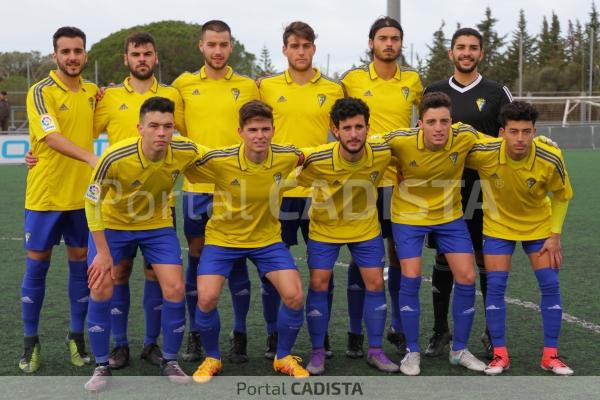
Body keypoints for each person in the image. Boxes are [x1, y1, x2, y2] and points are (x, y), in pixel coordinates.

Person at [83, 96, 205, 392]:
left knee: (175, 287)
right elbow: (90, 201)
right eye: (154, 126)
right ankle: (102, 364)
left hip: (157, 226)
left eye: (167, 126)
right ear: (140, 127)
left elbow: (218, 158)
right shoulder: (114, 156)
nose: (161, 132)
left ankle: (170, 360)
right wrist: (101, 252)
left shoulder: (184, 149)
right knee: (101, 284)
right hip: (114, 225)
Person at [189, 100, 308, 382]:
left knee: (294, 295)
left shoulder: (286, 156)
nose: (260, 136)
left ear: (273, 130)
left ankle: (283, 357)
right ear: (240, 131)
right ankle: (212, 358)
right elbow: (184, 161)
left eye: (265, 129)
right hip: (222, 239)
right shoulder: (220, 159)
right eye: (253, 129)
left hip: (267, 240)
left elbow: (310, 156)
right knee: (206, 297)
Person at [92, 31, 187, 370]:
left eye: (148, 53)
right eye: (136, 54)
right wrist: (37, 150)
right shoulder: (109, 97)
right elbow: (81, 132)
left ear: (156, 57)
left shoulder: (174, 94)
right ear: (126, 59)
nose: (142, 59)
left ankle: (152, 345)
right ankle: (120, 346)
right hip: (117, 208)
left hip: (160, 208)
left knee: (156, 277)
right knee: (118, 274)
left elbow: (187, 140)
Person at [172, 20, 259, 363]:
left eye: (224, 44)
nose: (218, 51)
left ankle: (240, 333)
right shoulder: (183, 85)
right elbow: (168, 121)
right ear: (201, 47)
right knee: (196, 260)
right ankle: (197, 333)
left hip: (237, 190)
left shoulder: (249, 86)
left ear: (231, 46)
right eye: (212, 45)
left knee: (237, 260)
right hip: (197, 188)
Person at [465, 101, 574, 376]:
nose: (520, 138)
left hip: (539, 227)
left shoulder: (550, 156)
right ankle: (500, 354)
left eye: (527, 131)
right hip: (498, 227)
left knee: (550, 285)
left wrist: (555, 235)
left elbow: (562, 196)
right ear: (502, 132)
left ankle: (550, 356)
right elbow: (455, 142)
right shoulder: (484, 152)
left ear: (535, 131)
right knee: (496, 287)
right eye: (514, 131)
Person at [423, 27, 513, 358]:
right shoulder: (433, 91)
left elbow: (512, 133)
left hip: (487, 189)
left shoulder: (496, 91)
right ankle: (439, 330)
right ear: (451, 53)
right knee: (444, 257)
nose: (466, 52)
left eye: (473, 48)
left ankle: (492, 333)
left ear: (481, 54)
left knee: (486, 259)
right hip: (444, 190)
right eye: (460, 47)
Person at [384, 92, 487, 376]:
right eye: (431, 122)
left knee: (467, 276)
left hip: (449, 217)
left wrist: (538, 142)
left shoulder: (464, 135)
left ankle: (460, 350)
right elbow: (366, 147)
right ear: (421, 124)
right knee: (411, 276)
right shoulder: (401, 140)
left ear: (451, 121)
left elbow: (497, 145)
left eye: (444, 121)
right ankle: (412, 352)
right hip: (408, 216)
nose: (439, 127)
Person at [258, 21, 343, 359]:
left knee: (323, 270)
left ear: (314, 48)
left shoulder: (334, 89)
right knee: (270, 270)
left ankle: (322, 338)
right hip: (276, 191)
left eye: (306, 45)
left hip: (320, 192)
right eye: (295, 46)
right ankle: (272, 335)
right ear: (285, 50)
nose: (301, 51)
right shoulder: (264, 87)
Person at [340, 16, 423, 358]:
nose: (389, 44)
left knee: (398, 256)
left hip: (399, 184)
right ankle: (354, 331)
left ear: (401, 44)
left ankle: (399, 328)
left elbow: (429, 118)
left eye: (395, 38)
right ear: (371, 42)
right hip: (360, 183)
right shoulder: (352, 79)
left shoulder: (414, 81)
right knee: (362, 258)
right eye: (383, 38)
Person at [299, 97, 399, 375]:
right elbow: (290, 170)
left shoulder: (381, 152)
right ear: (335, 130)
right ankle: (318, 352)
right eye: (347, 128)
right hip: (324, 228)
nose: (353, 134)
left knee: (376, 282)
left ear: (368, 128)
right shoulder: (317, 158)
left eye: (359, 127)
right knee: (319, 283)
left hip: (364, 227)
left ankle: (376, 350)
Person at [20, 26, 98, 374]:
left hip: (82, 198)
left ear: (85, 54)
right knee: (37, 266)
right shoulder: (40, 91)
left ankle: (76, 338)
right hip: (46, 195)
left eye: (77, 51)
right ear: (55, 55)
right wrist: (92, 157)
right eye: (65, 51)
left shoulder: (94, 93)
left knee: (80, 266)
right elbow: (50, 136)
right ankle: (30, 344)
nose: (72, 57)